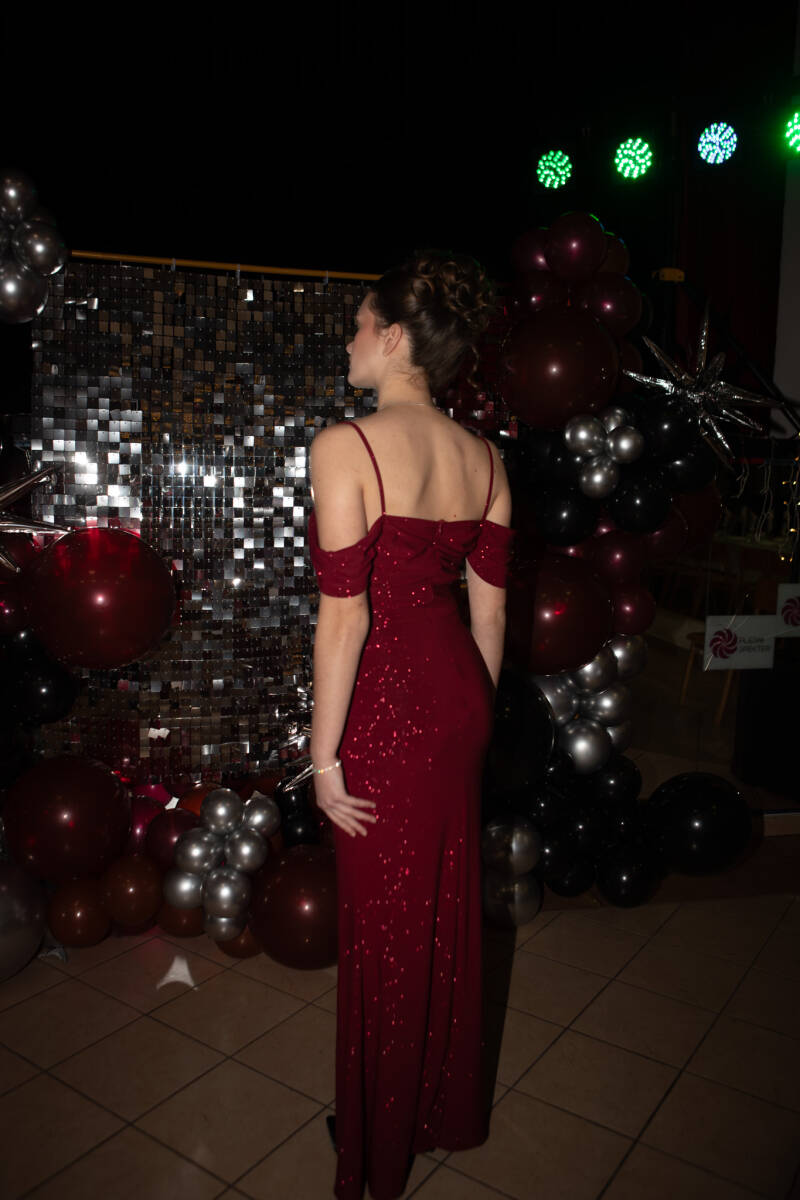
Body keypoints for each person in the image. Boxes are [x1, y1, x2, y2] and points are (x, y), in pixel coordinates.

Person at [307, 250, 514, 1200]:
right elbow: (491, 613)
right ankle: (426, 1109)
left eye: (359, 325)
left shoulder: (345, 446)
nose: (350, 340)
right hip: (459, 699)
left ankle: (377, 1148)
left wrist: (322, 759)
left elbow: (343, 619)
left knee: (385, 934)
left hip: (387, 708)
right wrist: (471, 721)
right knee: (434, 918)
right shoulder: (487, 459)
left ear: (394, 339)